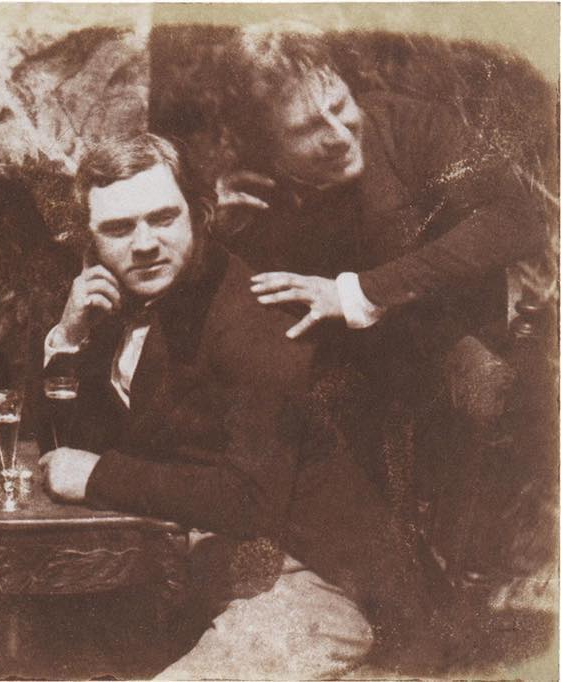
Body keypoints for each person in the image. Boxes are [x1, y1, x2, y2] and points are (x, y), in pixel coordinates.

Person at [39, 133, 444, 679]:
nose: (143, 244)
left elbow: (248, 499)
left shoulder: (256, 315)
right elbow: (56, 450)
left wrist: (97, 475)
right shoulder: (116, 305)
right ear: (89, 243)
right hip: (202, 572)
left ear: (200, 215)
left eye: (163, 218)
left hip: (320, 588)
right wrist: (68, 336)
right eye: (117, 228)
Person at [216, 22, 543, 578]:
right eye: (306, 130)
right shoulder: (251, 194)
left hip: (447, 348)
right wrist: (217, 232)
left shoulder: (412, 125)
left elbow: (515, 220)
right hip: (343, 377)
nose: (340, 135)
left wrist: (364, 291)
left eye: (339, 105)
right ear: (264, 148)